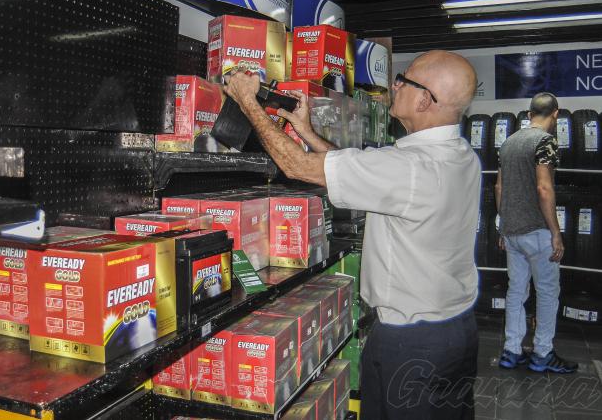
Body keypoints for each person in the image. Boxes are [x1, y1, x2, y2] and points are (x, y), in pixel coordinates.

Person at [224, 50, 481, 419]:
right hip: (455, 330)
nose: (395, 86)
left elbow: (296, 167)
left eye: (403, 80)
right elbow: (359, 173)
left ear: (425, 100)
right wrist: (306, 131)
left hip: (413, 343)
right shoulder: (459, 155)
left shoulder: (410, 168)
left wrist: (248, 101)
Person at [495, 93, 578, 374]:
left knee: (516, 291)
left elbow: (499, 187)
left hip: (512, 231)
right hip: (537, 231)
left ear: (529, 114)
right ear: (555, 114)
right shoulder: (545, 141)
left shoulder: (508, 143)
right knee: (547, 292)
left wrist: (504, 225)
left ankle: (511, 351)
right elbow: (544, 188)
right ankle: (542, 353)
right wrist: (555, 232)